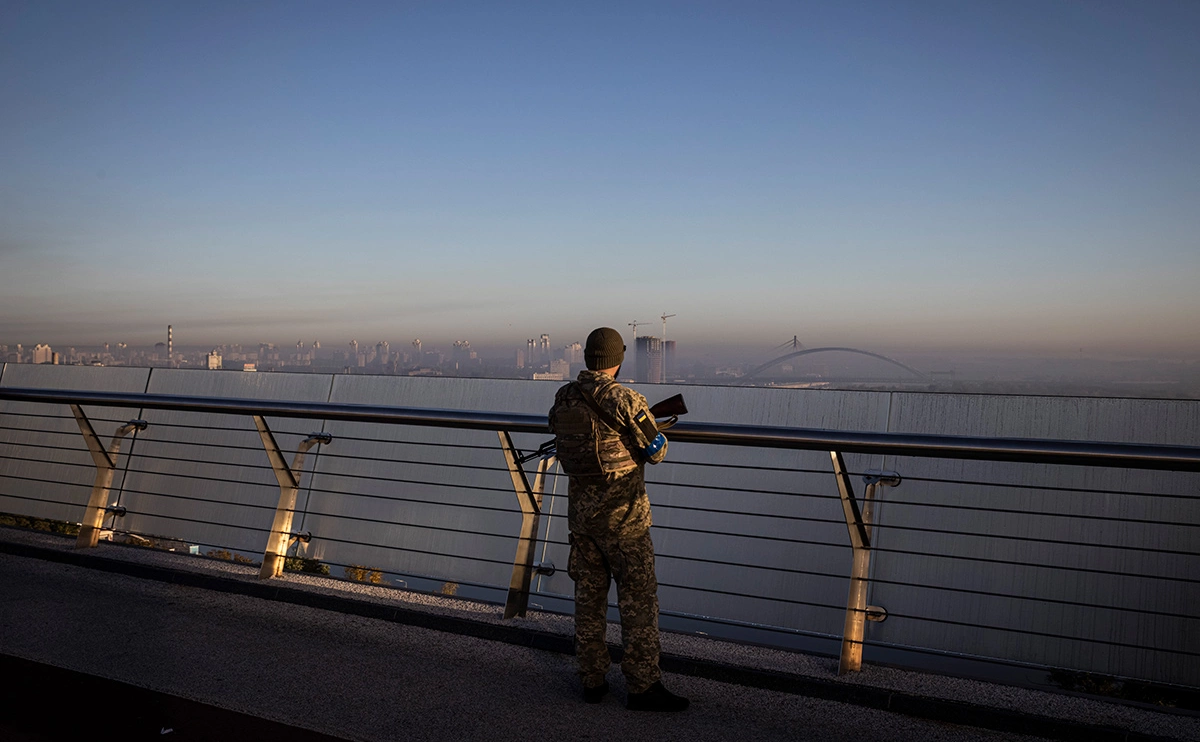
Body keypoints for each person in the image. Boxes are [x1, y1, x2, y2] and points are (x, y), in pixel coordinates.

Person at [547, 326, 689, 712]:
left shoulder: (564, 397)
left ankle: (592, 679)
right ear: (618, 360)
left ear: (588, 358)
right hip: (625, 522)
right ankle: (643, 686)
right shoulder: (625, 398)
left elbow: (561, 433)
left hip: (582, 521)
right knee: (638, 603)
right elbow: (655, 451)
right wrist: (656, 434)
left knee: (588, 600)